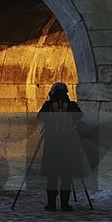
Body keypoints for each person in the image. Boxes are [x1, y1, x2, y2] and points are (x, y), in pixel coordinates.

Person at [36, 82, 84, 211]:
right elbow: (79, 116)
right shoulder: (71, 105)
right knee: (66, 175)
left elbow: (40, 117)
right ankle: (65, 204)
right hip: (68, 145)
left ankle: (51, 204)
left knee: (52, 175)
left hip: (52, 145)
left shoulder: (48, 105)